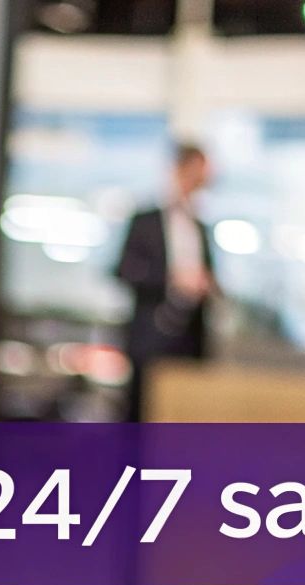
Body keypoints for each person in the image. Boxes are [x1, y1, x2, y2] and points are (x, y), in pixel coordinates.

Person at [113, 142, 217, 422]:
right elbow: (123, 271)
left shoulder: (200, 226)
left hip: (190, 339)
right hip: (150, 338)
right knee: (140, 416)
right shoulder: (145, 220)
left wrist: (206, 284)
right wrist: (171, 278)